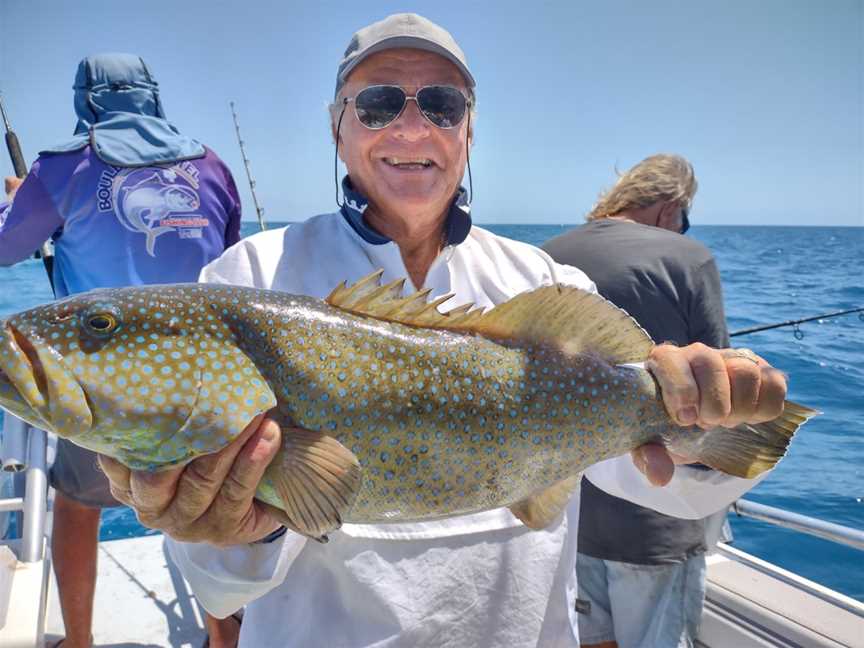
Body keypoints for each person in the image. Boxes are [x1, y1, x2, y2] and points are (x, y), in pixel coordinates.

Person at [96, 15, 788, 648]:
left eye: (441, 105)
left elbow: (649, 479)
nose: (409, 127)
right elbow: (221, 585)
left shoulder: (544, 284)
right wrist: (225, 531)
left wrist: (701, 418)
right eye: (376, 104)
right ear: (337, 128)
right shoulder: (247, 277)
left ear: (468, 130)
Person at [0, 53, 243, 648]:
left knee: (79, 507)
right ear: (153, 95)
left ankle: (78, 642)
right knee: (207, 509)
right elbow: (238, 265)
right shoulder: (211, 165)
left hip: (106, 383)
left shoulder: (65, 166)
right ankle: (224, 640)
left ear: (87, 102)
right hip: (206, 385)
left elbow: (6, 246)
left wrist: (20, 198)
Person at [543, 154, 729, 648]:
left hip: (569, 512)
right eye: (684, 219)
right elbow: (719, 396)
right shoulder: (688, 258)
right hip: (656, 521)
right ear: (670, 208)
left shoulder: (547, 255)